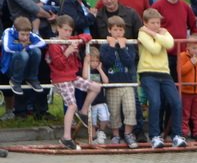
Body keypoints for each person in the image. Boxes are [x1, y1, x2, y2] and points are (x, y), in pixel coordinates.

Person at [48, 14, 102, 150]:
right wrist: (68, 51)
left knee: (96, 87)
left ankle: (83, 111)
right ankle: (66, 137)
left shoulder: (70, 39)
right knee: (71, 106)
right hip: (61, 78)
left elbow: (87, 36)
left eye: (70, 31)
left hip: (72, 76)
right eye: (65, 30)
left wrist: (79, 41)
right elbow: (58, 64)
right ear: (58, 29)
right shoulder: (54, 44)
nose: (67, 33)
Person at [137, 8, 186, 148]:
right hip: (147, 72)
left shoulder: (159, 31)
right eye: (152, 23)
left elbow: (170, 44)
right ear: (145, 23)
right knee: (155, 103)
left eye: (158, 23)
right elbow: (154, 49)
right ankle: (154, 136)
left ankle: (177, 135)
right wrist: (159, 36)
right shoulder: (142, 33)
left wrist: (154, 34)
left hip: (164, 73)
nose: (156, 26)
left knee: (176, 102)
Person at [99, 15, 139, 147]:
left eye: (120, 30)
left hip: (127, 83)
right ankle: (116, 135)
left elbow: (129, 62)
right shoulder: (105, 46)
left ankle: (128, 134)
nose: (118, 33)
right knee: (114, 110)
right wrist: (111, 47)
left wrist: (122, 48)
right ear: (109, 30)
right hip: (112, 84)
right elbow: (107, 62)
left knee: (130, 109)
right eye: (115, 30)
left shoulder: (128, 45)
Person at [152, 0, 197, 79]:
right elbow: (149, 28)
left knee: (181, 85)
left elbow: (194, 27)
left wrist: (193, 45)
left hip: (182, 54)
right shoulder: (157, 6)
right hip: (163, 54)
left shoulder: (185, 6)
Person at [1, 16, 45, 96]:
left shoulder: (28, 32)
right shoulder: (8, 32)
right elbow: (7, 48)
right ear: (16, 31)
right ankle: (15, 81)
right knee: (23, 54)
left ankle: (32, 78)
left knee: (36, 51)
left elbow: (42, 42)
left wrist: (28, 47)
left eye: (27, 35)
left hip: (24, 68)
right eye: (23, 34)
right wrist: (22, 46)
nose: (25, 37)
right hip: (10, 68)